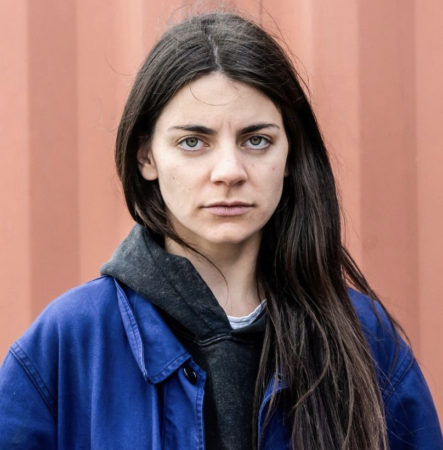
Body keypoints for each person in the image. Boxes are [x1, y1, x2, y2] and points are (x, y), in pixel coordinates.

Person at [0, 11, 442, 450]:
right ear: (146, 157)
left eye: (256, 140)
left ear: (290, 154)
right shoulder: (70, 343)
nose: (229, 171)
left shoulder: (365, 340)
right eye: (193, 142)